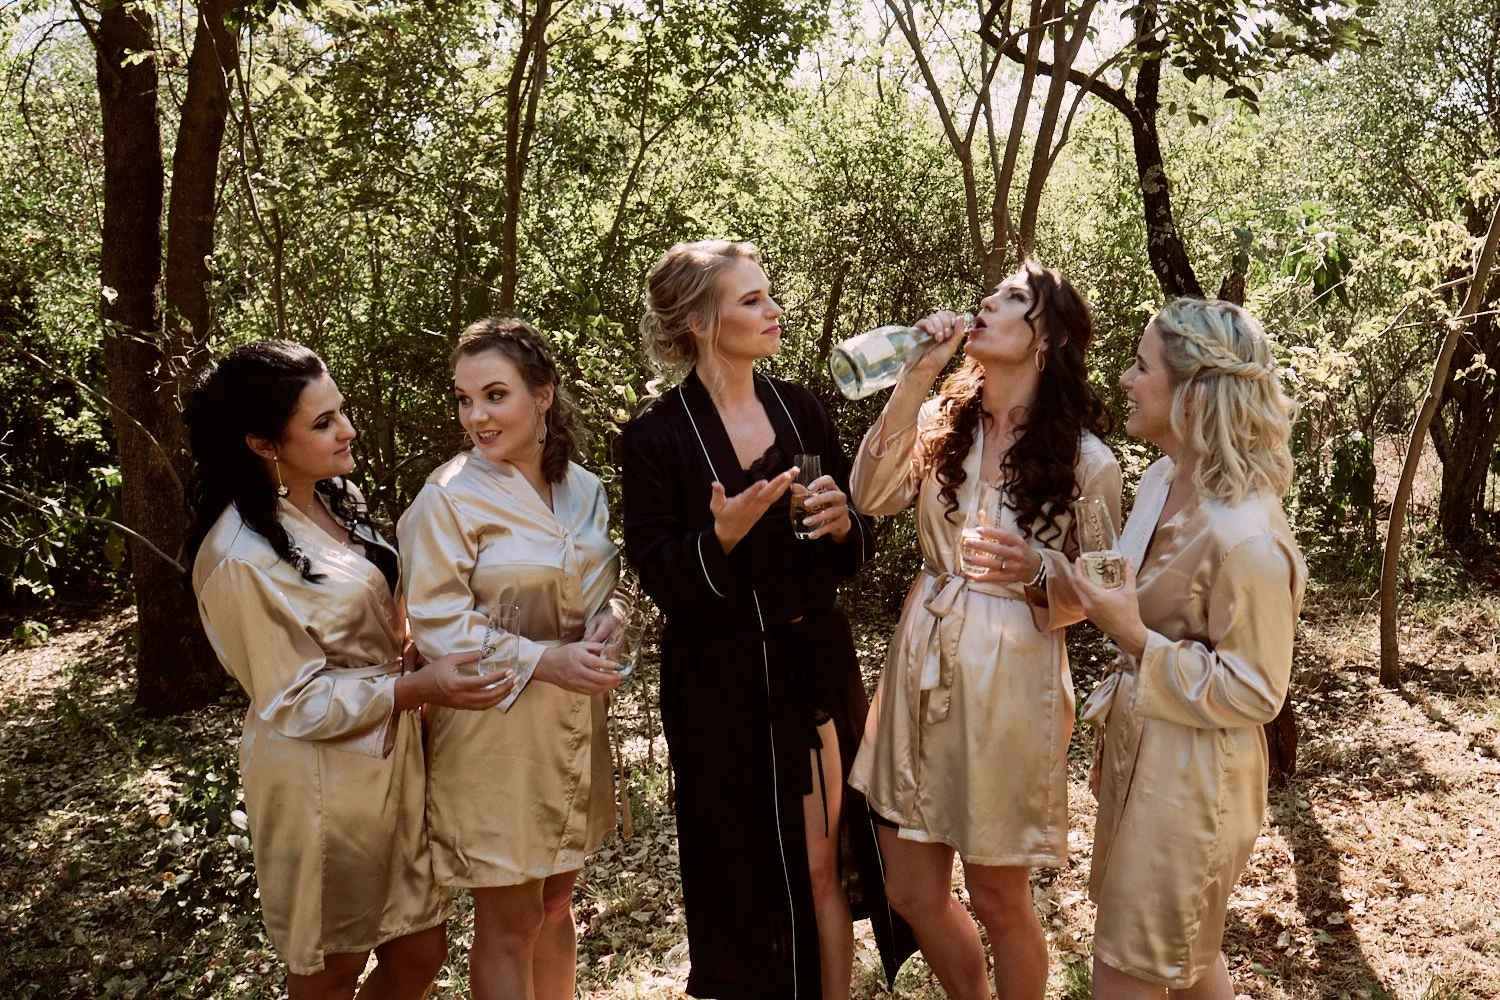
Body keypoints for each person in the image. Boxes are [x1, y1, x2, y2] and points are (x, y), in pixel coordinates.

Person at [619, 239, 914, 1000]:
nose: (774, 310)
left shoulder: (800, 408)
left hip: (809, 660)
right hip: (718, 685)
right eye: (751, 300)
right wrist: (718, 538)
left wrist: (845, 525)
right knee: (746, 869)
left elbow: (852, 537)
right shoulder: (656, 434)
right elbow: (657, 568)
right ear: (698, 322)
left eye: (769, 294)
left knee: (819, 863)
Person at [186, 340, 508, 1000]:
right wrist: (414, 688)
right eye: (323, 422)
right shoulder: (237, 557)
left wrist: (413, 645)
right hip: (320, 780)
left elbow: (370, 611)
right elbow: (292, 699)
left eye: (342, 411)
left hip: (395, 756)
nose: (348, 430)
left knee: (420, 950)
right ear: (262, 444)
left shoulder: (334, 497)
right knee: (331, 969)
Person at [848, 261, 1121, 1000]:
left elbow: (1110, 589)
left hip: (1012, 675)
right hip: (922, 654)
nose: (987, 304)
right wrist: (914, 377)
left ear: (1048, 337)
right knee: (910, 889)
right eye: (990, 295)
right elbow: (869, 495)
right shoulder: (943, 422)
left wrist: (1038, 570)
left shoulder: (1088, 462)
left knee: (999, 898)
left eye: (1011, 299)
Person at [1067, 298, 1306, 1000]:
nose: (1123, 380)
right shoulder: (1161, 480)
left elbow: (1258, 689)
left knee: (1127, 965)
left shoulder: (1247, 537)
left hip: (1197, 776)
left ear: (1193, 394)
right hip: (1141, 743)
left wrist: (1135, 639)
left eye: (1141, 367)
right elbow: (1128, 592)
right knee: (1188, 955)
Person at [397, 317, 625, 1000]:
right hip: (493, 727)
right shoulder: (448, 496)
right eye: (464, 399)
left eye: (495, 395)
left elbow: (597, 588)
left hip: (574, 723)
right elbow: (436, 622)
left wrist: (614, 618)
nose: (477, 416)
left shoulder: (584, 489)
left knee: (556, 904)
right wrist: (546, 662)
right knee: (511, 921)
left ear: (543, 395)